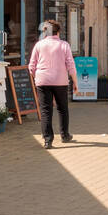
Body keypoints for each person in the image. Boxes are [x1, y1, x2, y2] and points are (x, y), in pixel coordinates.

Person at [28, 19, 79, 149]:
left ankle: (48, 140)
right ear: (59, 31)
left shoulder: (39, 45)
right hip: (60, 81)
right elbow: (71, 65)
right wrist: (75, 81)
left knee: (46, 110)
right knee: (62, 109)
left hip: (43, 81)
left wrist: (36, 78)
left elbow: (31, 66)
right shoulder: (64, 45)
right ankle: (65, 135)